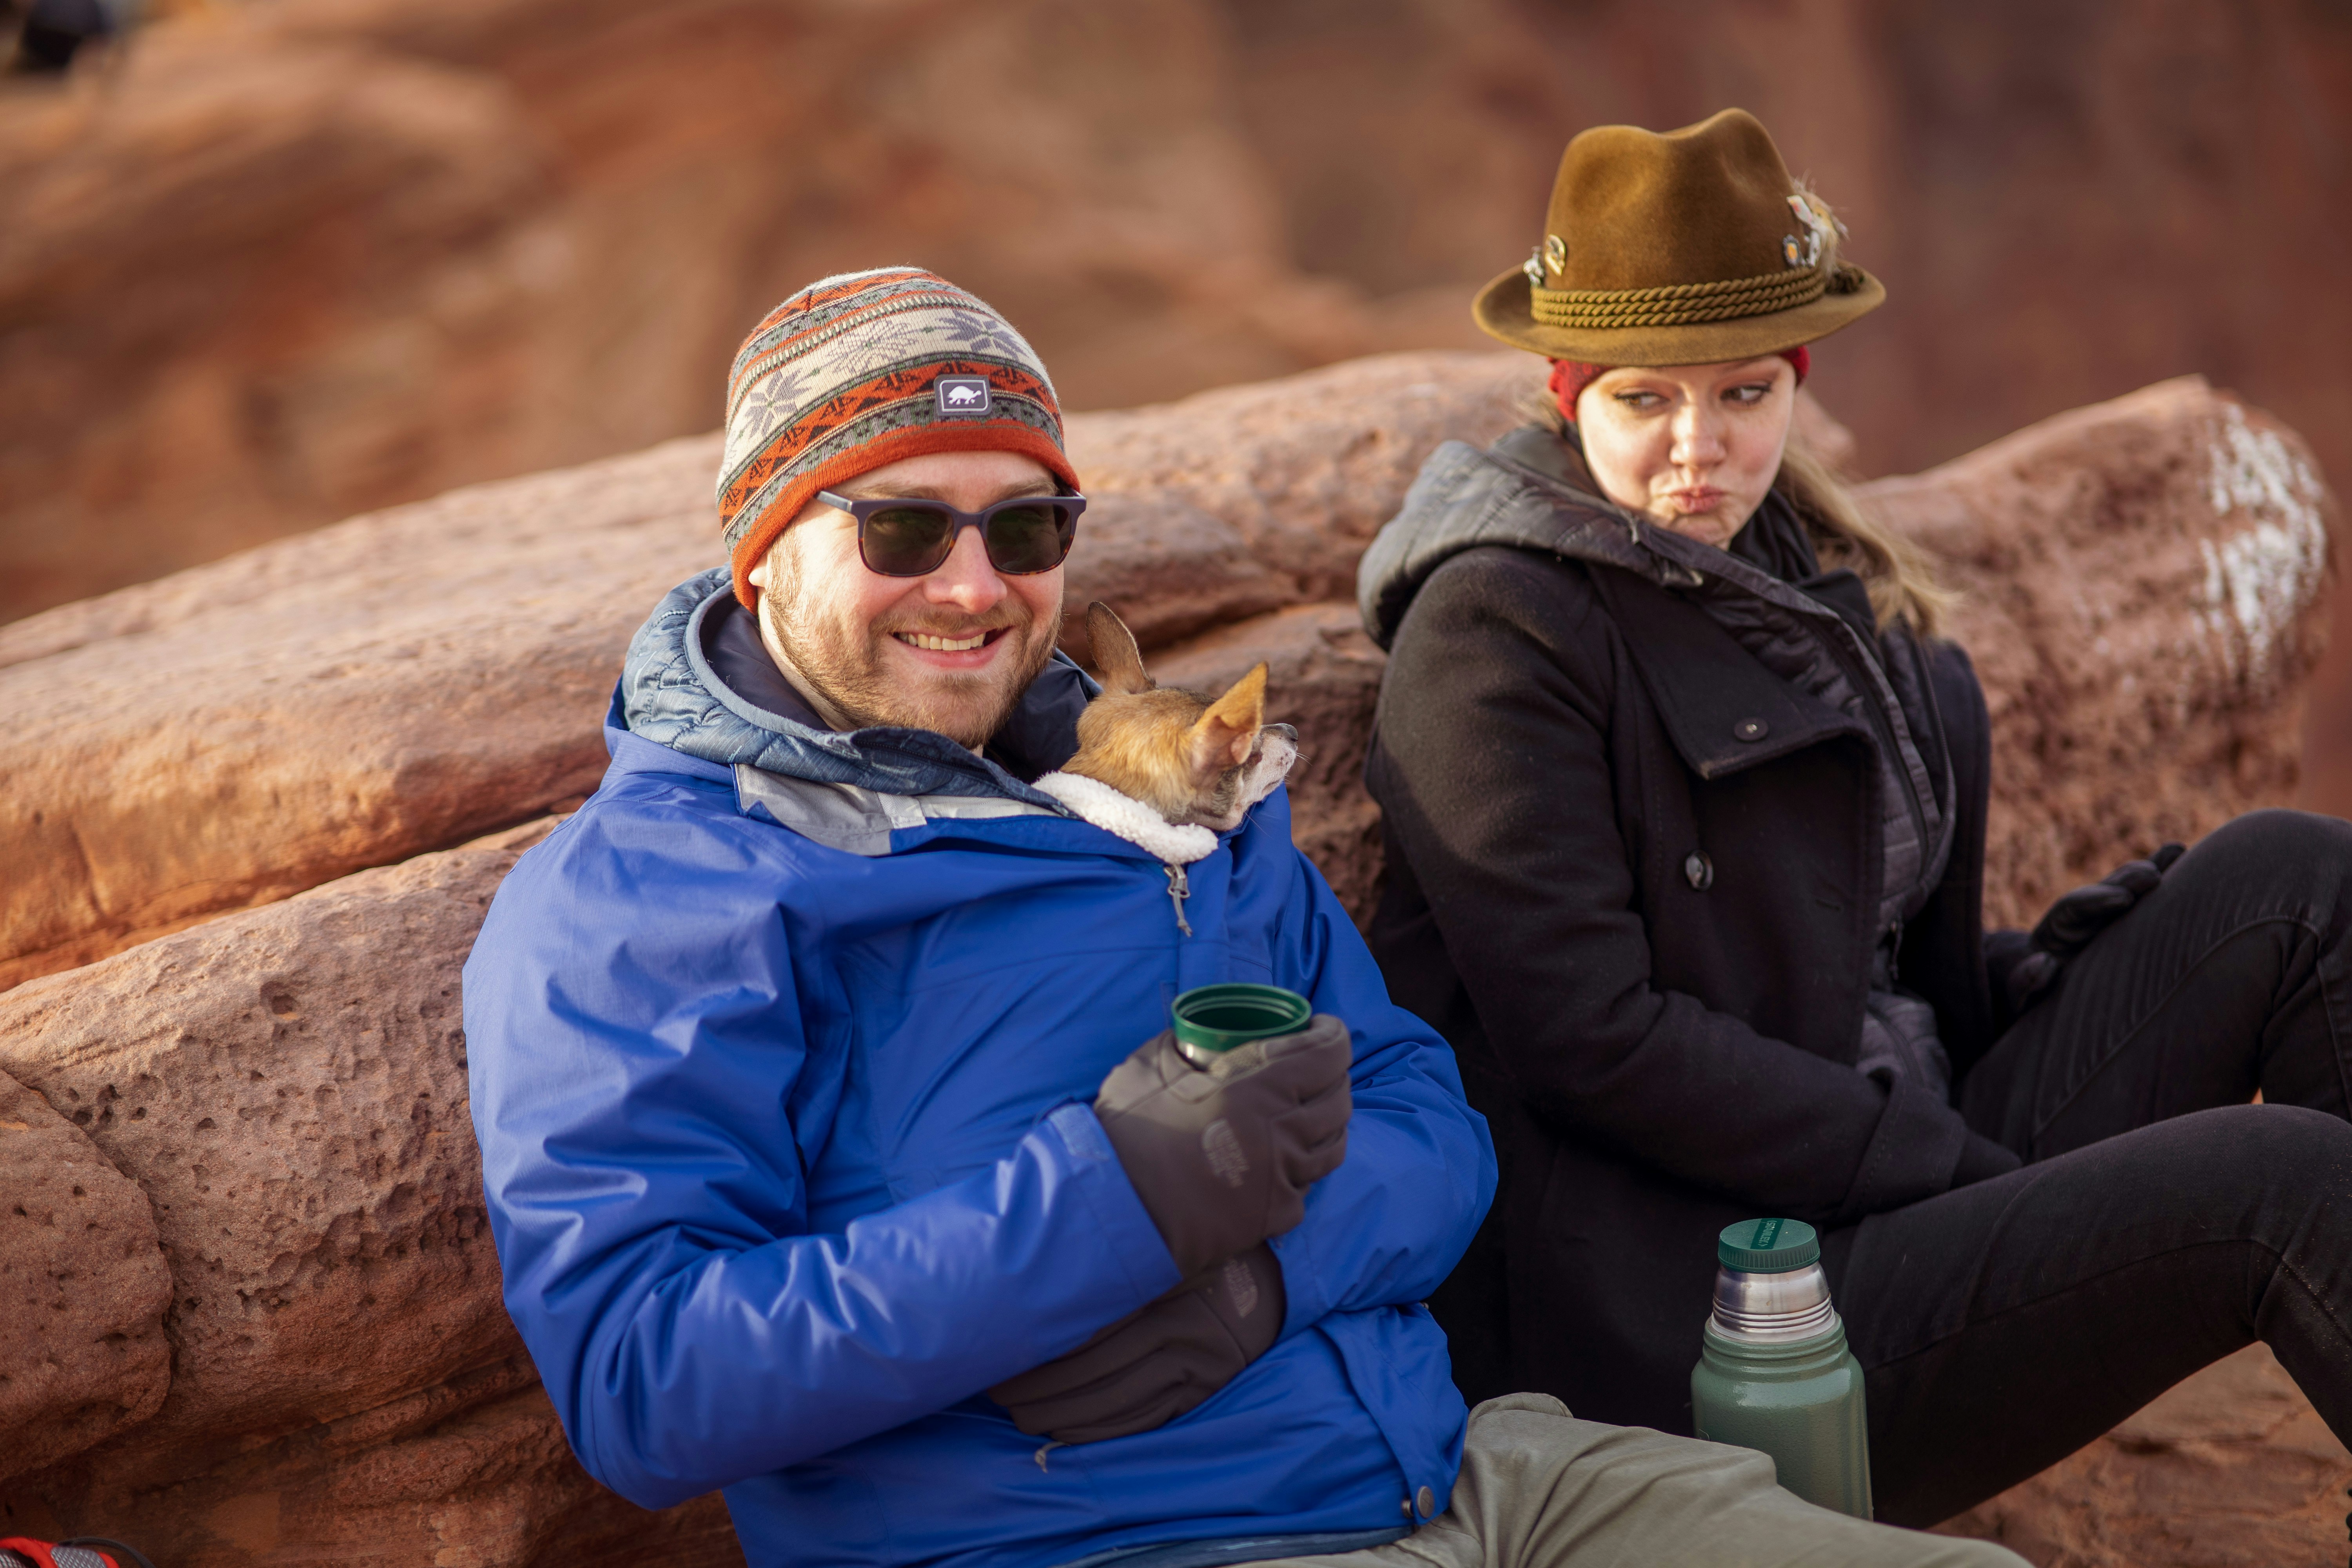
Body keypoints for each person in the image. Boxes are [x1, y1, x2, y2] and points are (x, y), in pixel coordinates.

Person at [463, 265, 2028, 1568]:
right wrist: (1113, 1201)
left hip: (1476, 1482)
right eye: (899, 529)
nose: (972, 584)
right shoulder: (649, 897)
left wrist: (1271, 1279)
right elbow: (643, 1380)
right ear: (762, 547)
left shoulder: (1167, 788)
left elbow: (1429, 1116)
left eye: (1025, 529)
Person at [1356, 105, 2352, 1529]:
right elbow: (1591, 1040)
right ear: (1567, 390)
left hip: (1893, 1167)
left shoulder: (1819, 583)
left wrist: (2035, 978)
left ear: (1797, 379)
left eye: (1746, 396)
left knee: (2293, 881)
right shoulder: (1495, 630)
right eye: (1645, 400)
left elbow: (1850, 955)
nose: (1699, 448)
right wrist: (1946, 1162)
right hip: (1718, 1312)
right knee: (2281, 1182)